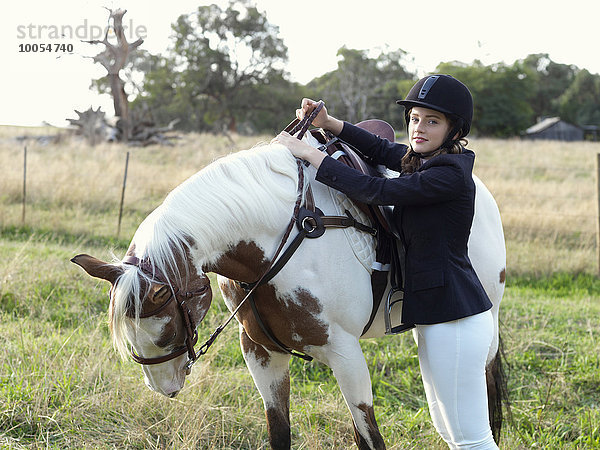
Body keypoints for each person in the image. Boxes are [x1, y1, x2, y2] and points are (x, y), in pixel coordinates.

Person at [275, 74, 499, 449]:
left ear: (454, 128)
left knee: (472, 440)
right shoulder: (428, 161)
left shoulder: (448, 175)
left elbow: (377, 189)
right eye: (414, 118)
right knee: (449, 432)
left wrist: (313, 155)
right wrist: (329, 124)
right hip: (437, 318)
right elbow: (380, 150)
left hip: (455, 321)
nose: (419, 128)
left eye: (432, 121)